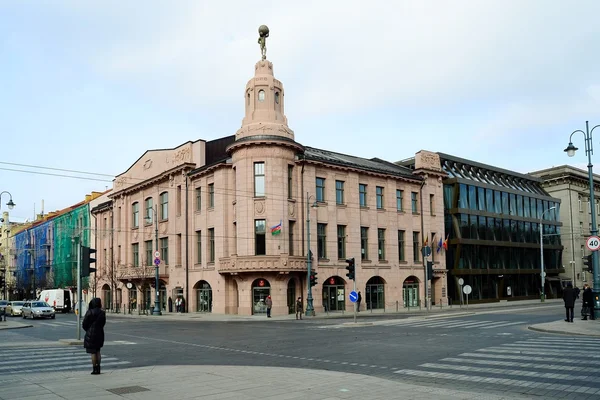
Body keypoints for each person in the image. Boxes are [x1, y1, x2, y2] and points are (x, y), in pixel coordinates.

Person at [82, 298, 106, 375]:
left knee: (93, 352)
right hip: (99, 333)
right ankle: (98, 368)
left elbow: (84, 324)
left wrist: (88, 330)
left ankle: (94, 368)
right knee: (98, 351)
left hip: (90, 334)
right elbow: (103, 323)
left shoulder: (89, 312)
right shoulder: (102, 313)